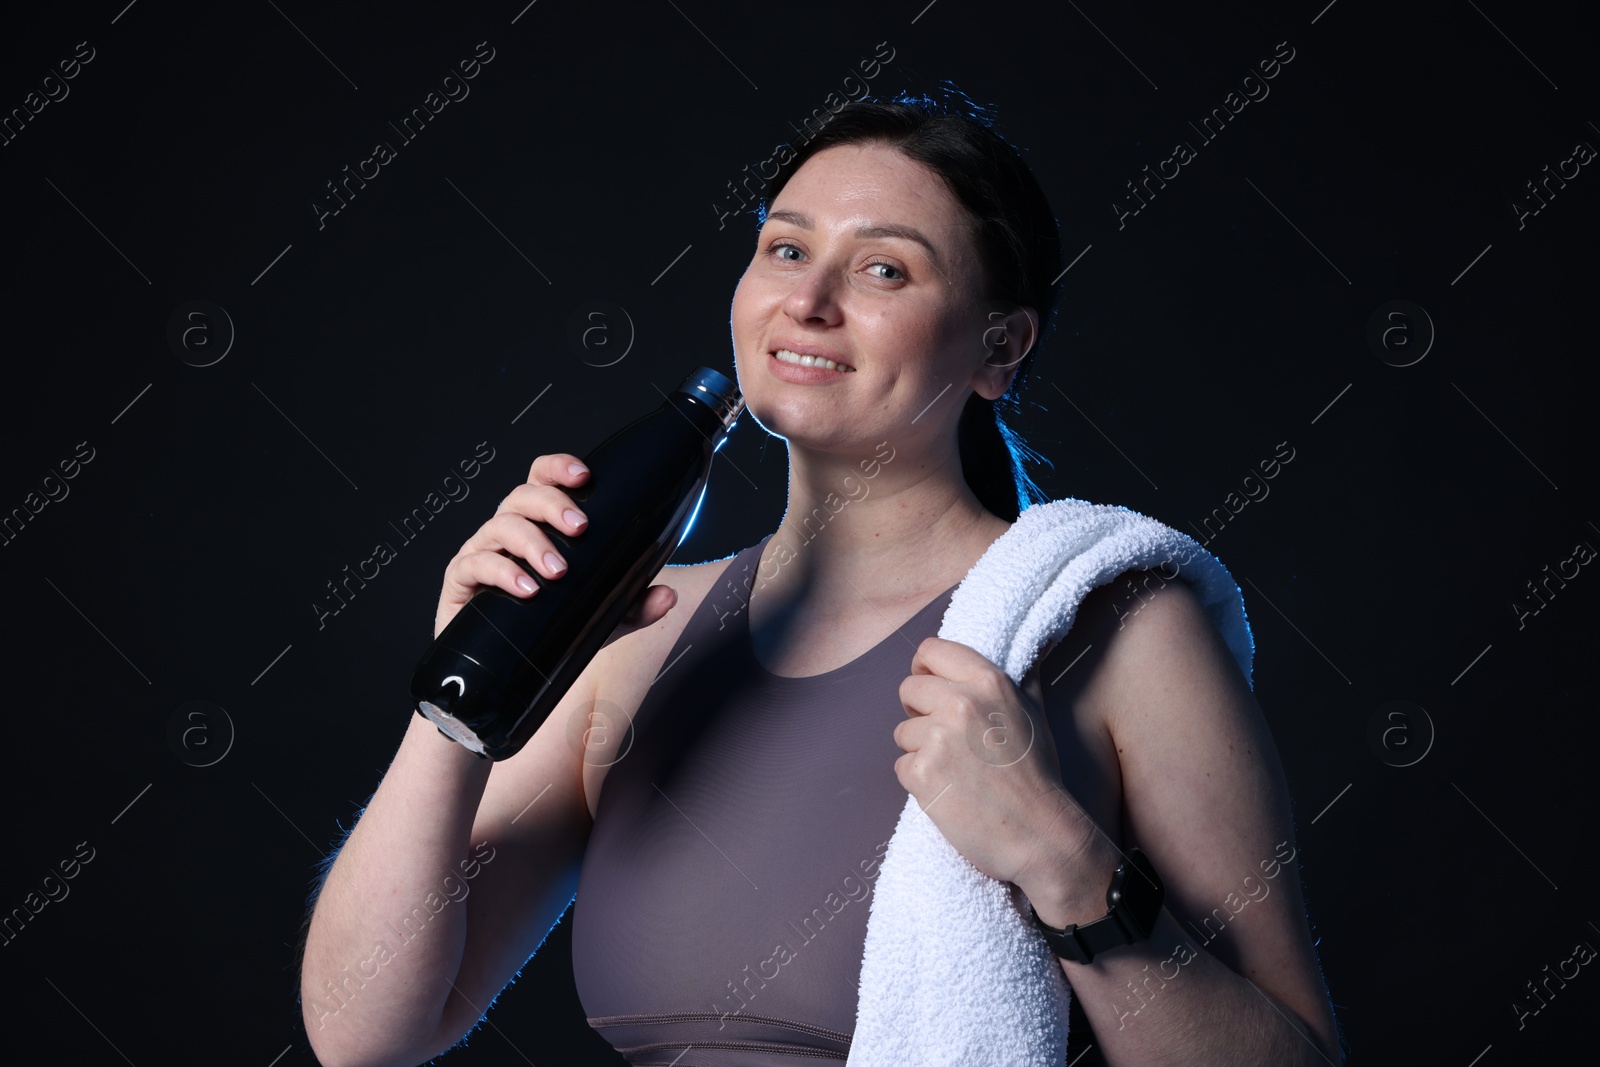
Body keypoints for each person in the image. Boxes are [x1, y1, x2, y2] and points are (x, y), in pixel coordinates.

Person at [297, 88, 1344, 1067]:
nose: (807, 299)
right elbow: (365, 1029)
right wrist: (464, 683)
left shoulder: (1111, 628)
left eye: (883, 268)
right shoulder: (633, 643)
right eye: (785, 247)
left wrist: (1066, 864)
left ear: (999, 346)